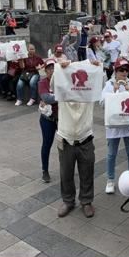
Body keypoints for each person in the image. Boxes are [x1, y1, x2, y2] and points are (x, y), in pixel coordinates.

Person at [52, 58, 102, 219]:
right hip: (66, 139)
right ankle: (68, 201)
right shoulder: (63, 94)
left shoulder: (88, 93)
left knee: (87, 172)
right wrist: (60, 68)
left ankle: (86, 201)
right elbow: (54, 83)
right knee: (66, 173)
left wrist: (98, 67)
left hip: (85, 138)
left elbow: (102, 83)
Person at [102, 58, 129, 194]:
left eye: (126, 70)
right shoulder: (108, 85)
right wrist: (113, 92)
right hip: (114, 126)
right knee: (112, 154)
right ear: (115, 71)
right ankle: (110, 180)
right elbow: (101, 103)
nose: (124, 72)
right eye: (121, 70)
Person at [37, 58, 57, 183]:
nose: (52, 70)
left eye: (54, 67)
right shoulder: (42, 82)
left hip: (62, 118)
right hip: (47, 119)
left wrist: (53, 97)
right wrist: (62, 96)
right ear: (46, 70)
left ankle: (66, 169)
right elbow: (46, 98)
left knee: (65, 146)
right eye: (49, 68)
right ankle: (45, 170)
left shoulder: (62, 81)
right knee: (47, 144)